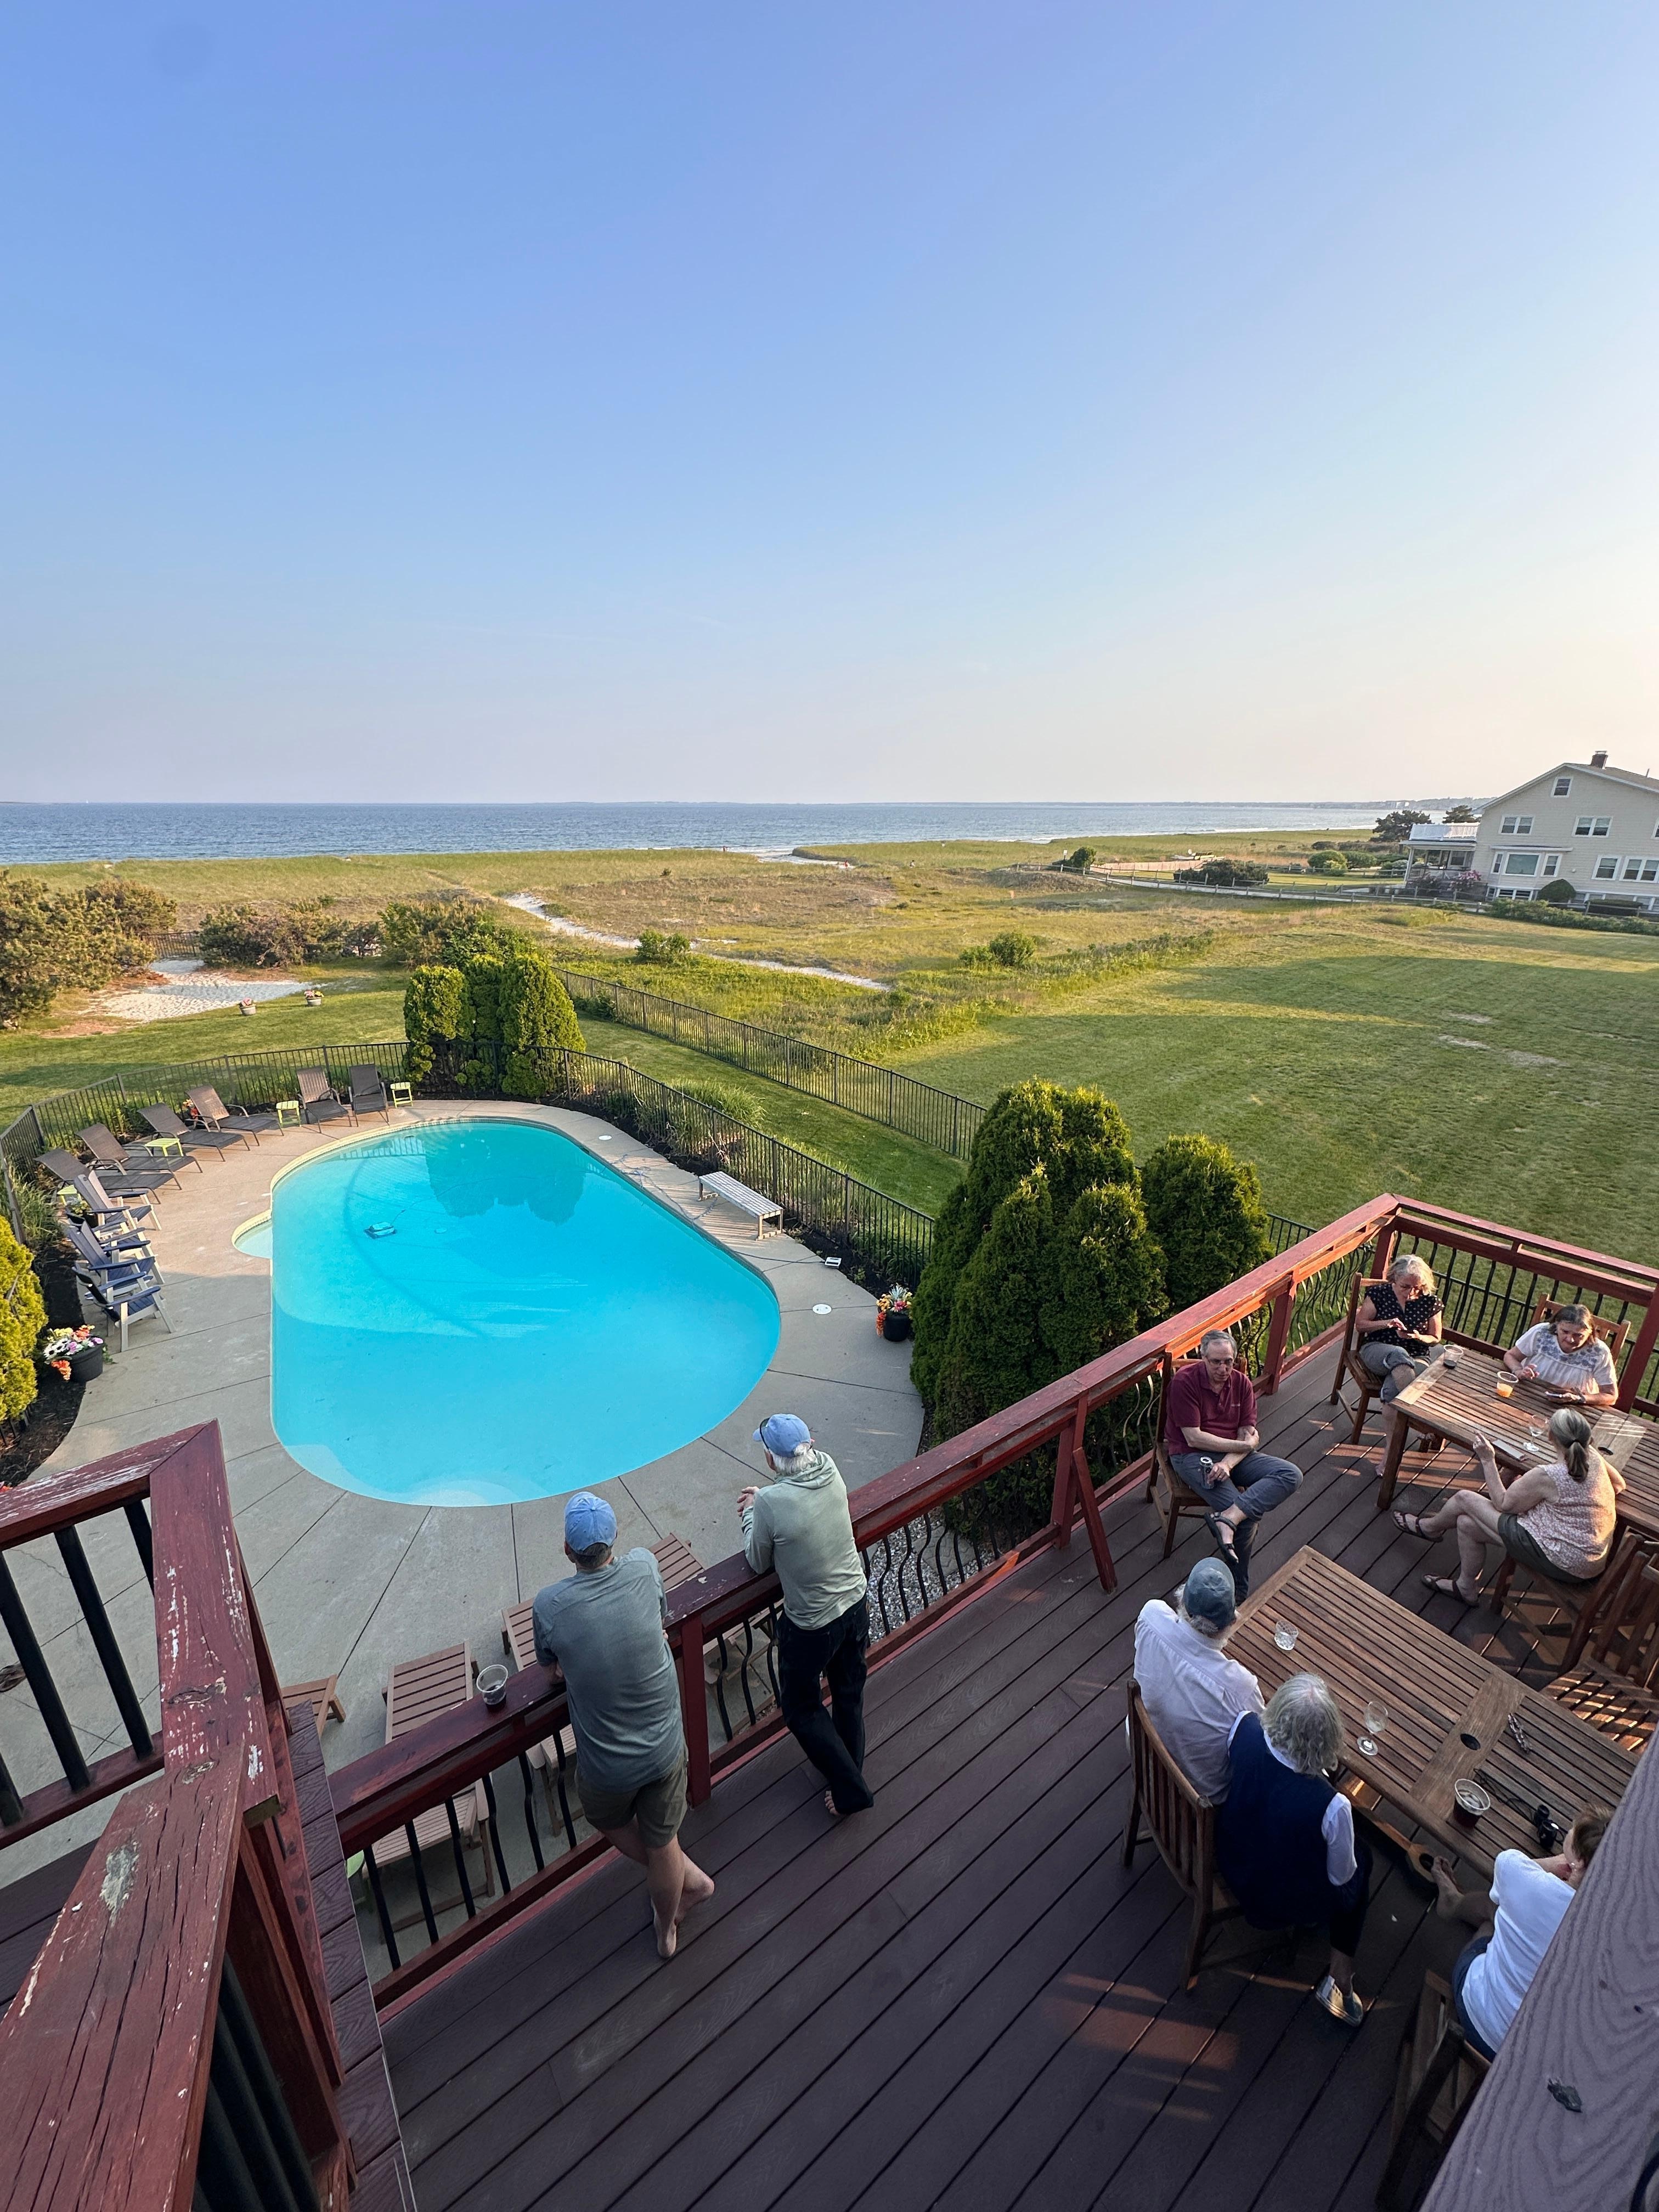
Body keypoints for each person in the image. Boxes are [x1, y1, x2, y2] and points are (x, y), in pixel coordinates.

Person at [532, 1492, 714, 1960]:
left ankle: (677, 1900)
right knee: (663, 1840)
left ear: (568, 1551)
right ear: (614, 1537)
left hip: (608, 1769)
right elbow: (658, 1614)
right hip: (666, 1749)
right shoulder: (644, 1566)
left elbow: (551, 1672)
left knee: (604, 1815)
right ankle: (672, 1901)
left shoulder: (551, 1606)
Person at [1217, 1674, 1373, 2025]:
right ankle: (1341, 1974)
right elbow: (1341, 1878)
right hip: (1277, 1905)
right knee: (1363, 1861)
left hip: (1231, 1859)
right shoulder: (1333, 1806)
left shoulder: (1244, 1729)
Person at [740, 1413, 874, 1817]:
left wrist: (752, 1511)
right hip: (856, 1602)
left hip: (813, 1626)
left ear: (770, 1459)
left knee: (801, 1708)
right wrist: (766, 1499)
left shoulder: (769, 1503)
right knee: (848, 1694)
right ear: (810, 1445)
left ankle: (851, 1787)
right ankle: (850, 1773)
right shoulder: (829, 1467)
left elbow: (757, 1561)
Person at [1391, 1407, 1624, 1605]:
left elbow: (1502, 1503)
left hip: (1563, 1561)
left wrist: (1487, 1459)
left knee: (1464, 1499)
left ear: (1551, 1436)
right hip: (1590, 1559)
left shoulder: (1548, 1475)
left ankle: (1430, 1528)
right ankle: (1465, 1588)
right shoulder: (1592, 1456)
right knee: (1466, 1524)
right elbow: (1619, 1485)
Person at [1432, 1809, 1610, 2057]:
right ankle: (1456, 1903)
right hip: (1524, 2058)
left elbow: (1510, 1864)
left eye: (1572, 1831)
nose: (1568, 1831)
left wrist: (1553, 1864)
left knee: (1497, 1912)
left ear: (1578, 1862)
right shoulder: (1609, 1935)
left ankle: (1453, 1903)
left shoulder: (1527, 1882)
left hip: (1476, 2011)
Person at [1164, 1328, 1304, 1597]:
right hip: (1191, 1455)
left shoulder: (1241, 1384)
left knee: (1290, 1474)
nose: (1223, 1369)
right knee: (1247, 1519)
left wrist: (1228, 1463)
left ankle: (1228, 1518)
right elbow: (1194, 1438)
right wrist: (1245, 1447)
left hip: (1232, 1456)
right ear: (1203, 1358)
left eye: (1228, 1361)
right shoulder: (1185, 1382)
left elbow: (1246, 1433)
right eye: (1216, 1362)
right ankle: (1238, 1589)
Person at [1132, 1556, 1264, 1801]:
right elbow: (1265, 1740)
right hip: (1197, 1799)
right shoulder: (1241, 1687)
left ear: (1182, 1600)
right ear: (1232, 1621)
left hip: (1142, 1752)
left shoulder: (1151, 1616)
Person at [1353, 1255, 1443, 1403]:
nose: (1411, 1293)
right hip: (1378, 1349)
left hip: (1417, 1356)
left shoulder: (1431, 1302)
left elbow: (1435, 1338)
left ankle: (1397, 1410)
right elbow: (1360, 1325)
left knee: (1393, 1391)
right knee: (1398, 1354)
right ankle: (1412, 1408)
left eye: (1417, 1288)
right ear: (1395, 1278)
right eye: (1405, 1287)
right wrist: (1385, 1323)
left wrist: (1418, 1337)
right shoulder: (1379, 1293)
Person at [1504, 1304, 1620, 1405]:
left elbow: (1611, 1396)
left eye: (1579, 1335)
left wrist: (1579, 1399)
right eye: (1565, 1332)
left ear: (1590, 1332)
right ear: (1556, 1325)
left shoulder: (1599, 1352)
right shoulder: (1541, 1332)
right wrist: (1519, 1371)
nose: (1570, 1339)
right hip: (1529, 1394)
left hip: (1573, 1408)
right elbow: (1511, 1356)